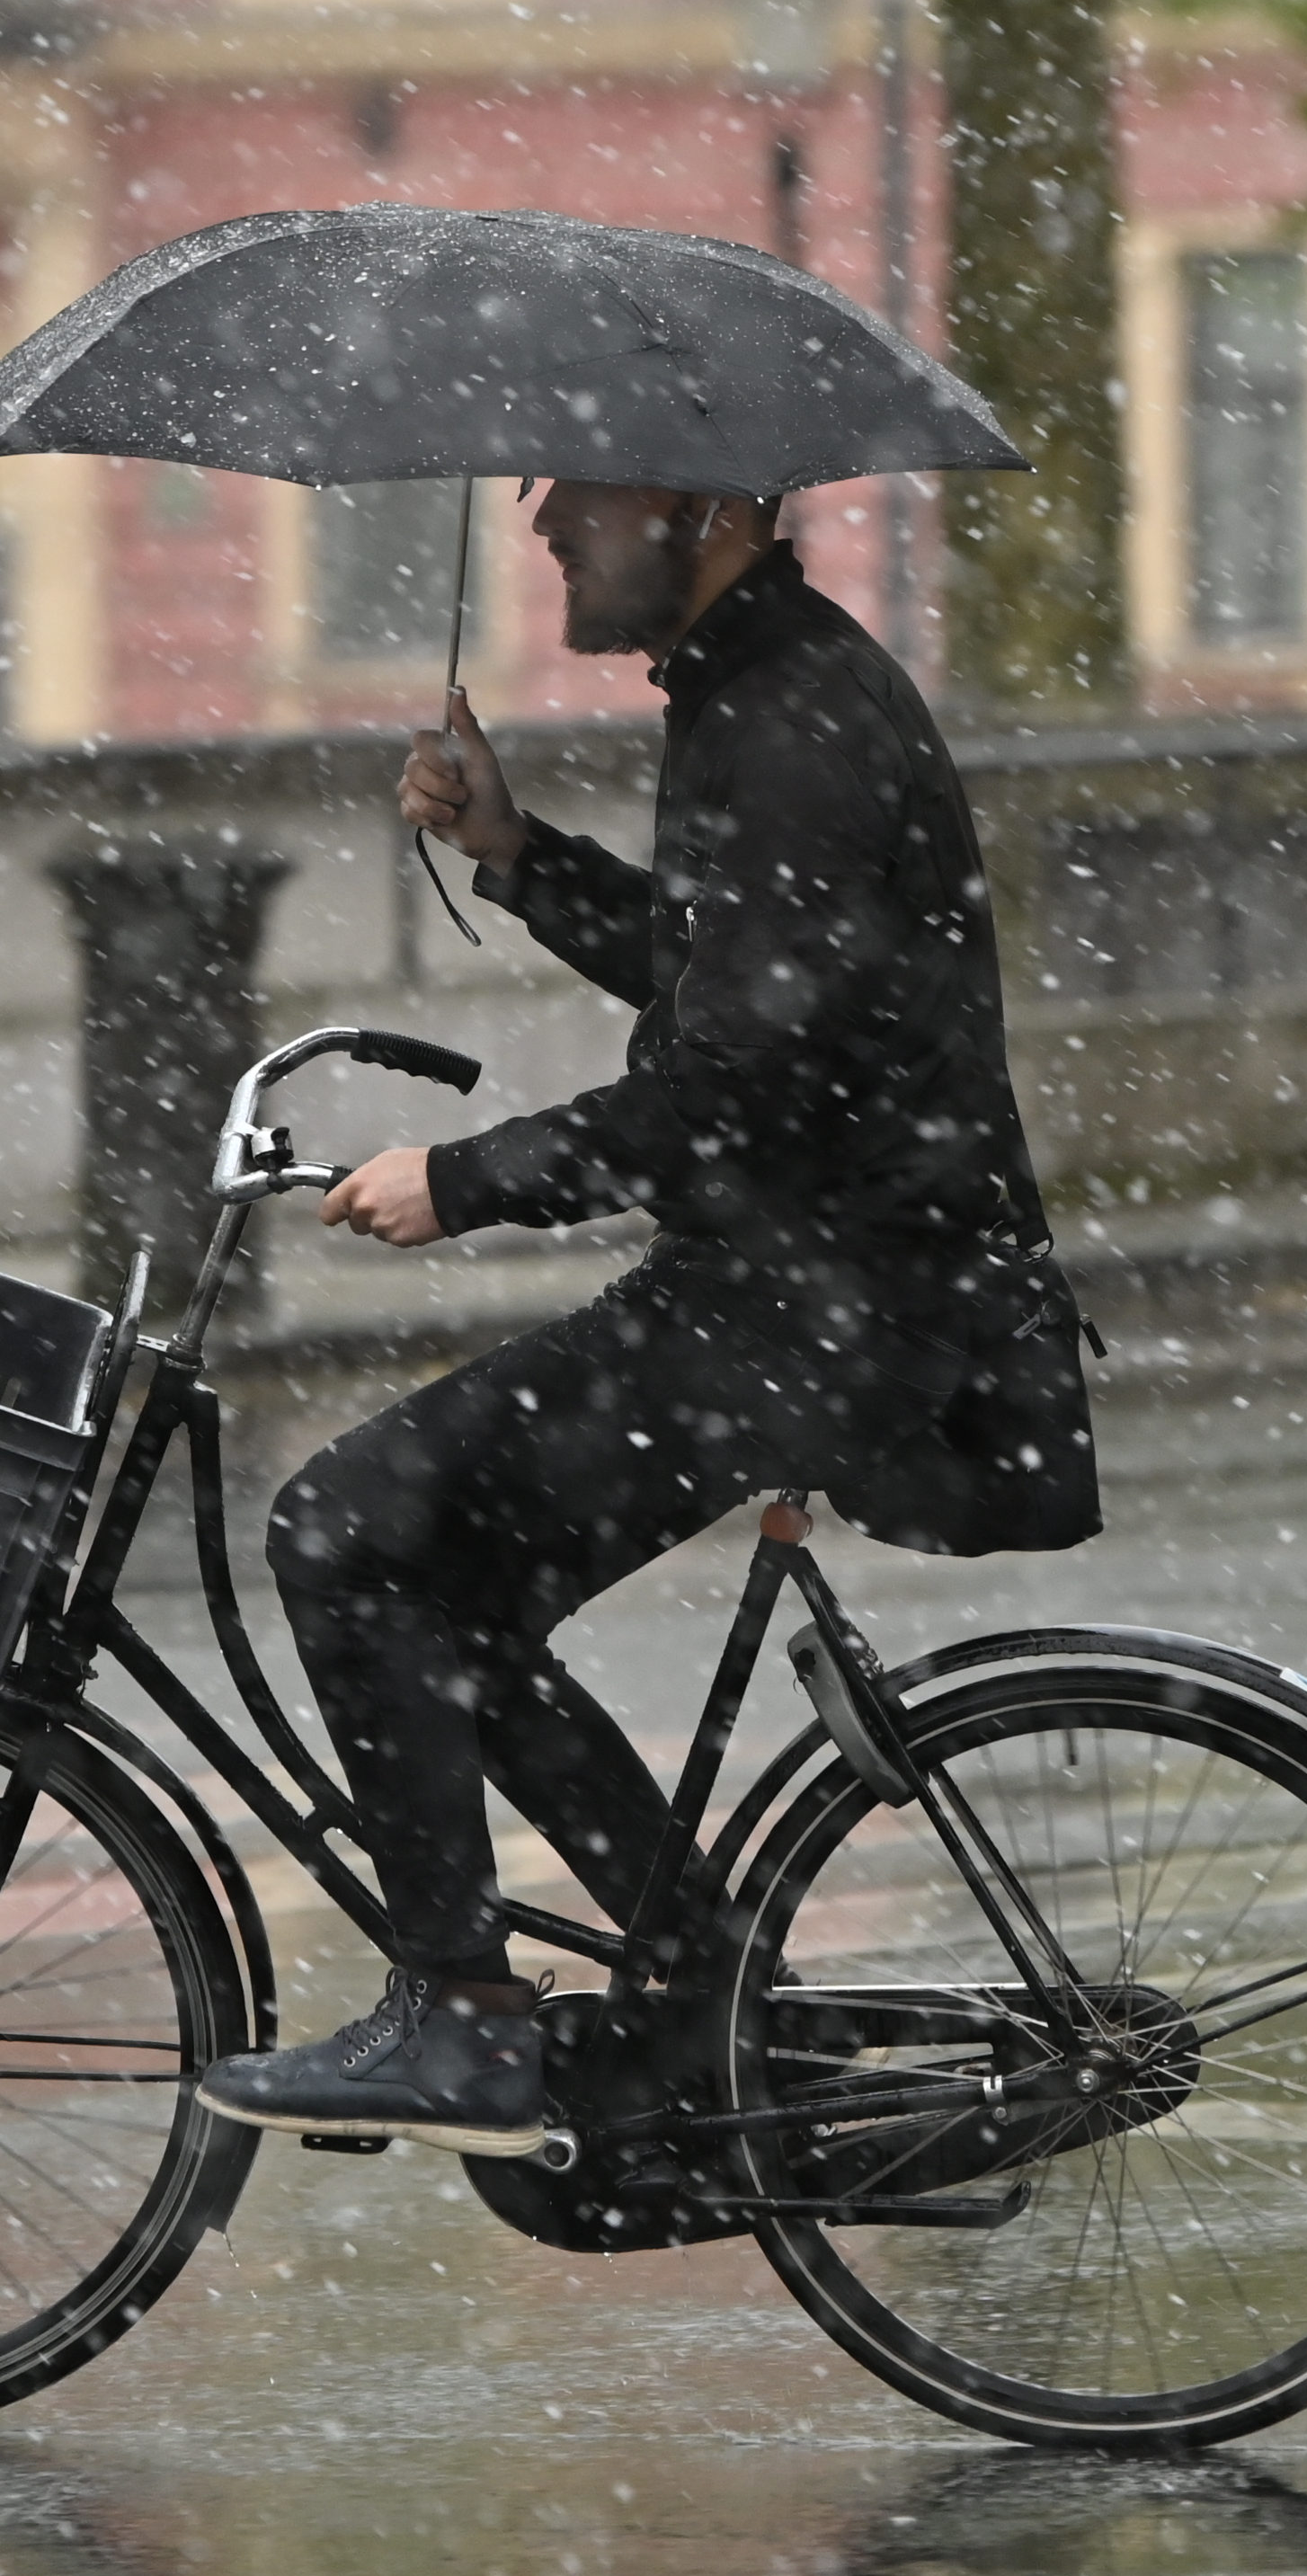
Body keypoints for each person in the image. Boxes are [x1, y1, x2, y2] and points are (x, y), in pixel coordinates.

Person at [191, 477, 1098, 2154]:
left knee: (343, 1529)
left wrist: (468, 1179)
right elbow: (725, 991)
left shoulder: (795, 721)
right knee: (438, 1593)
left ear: (705, 506)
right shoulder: (759, 690)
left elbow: (738, 1086)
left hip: (825, 1303)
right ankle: (693, 1995)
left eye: (579, 493)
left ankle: (468, 2017)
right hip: (816, 1286)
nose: (540, 521)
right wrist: (518, 858)